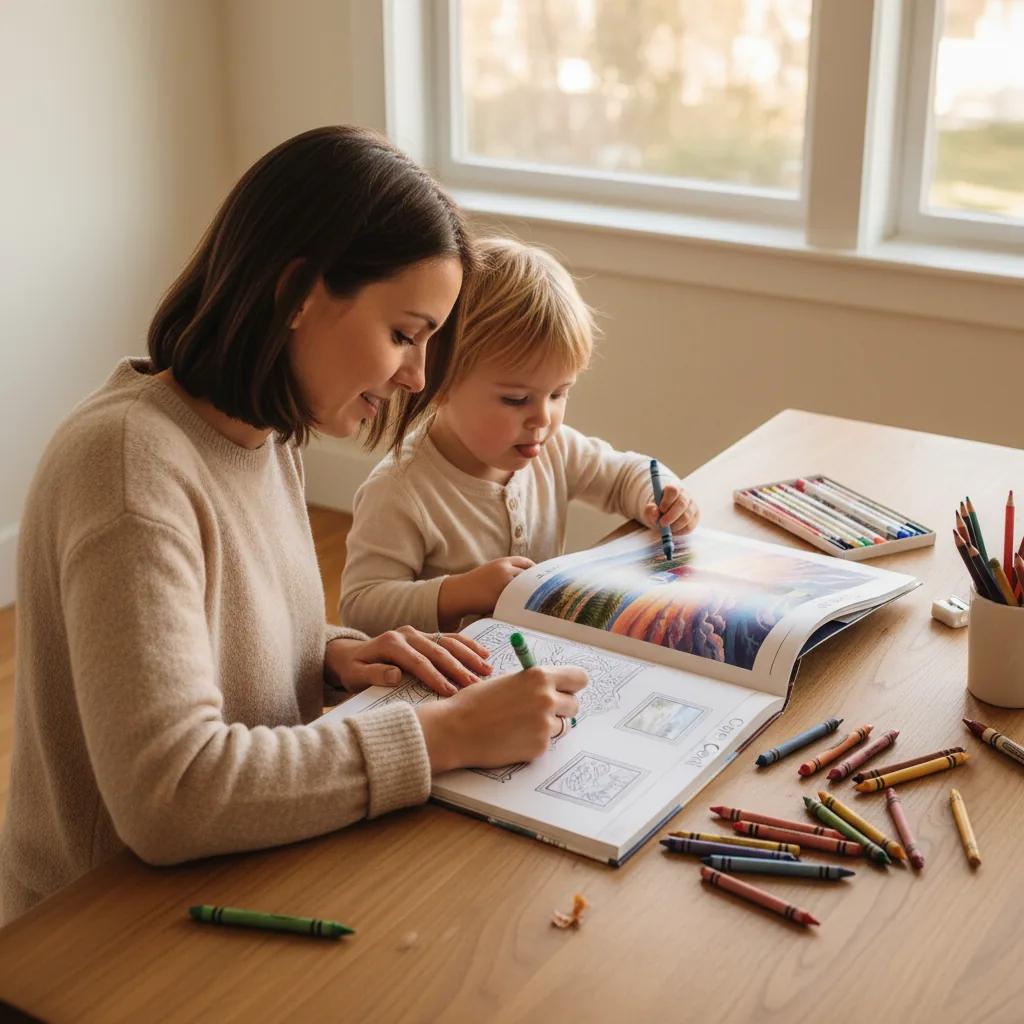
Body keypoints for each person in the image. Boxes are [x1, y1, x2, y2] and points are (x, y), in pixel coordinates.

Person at [0, 129, 586, 924]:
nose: (418, 374)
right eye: (405, 334)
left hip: (226, 880)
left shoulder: (263, 435)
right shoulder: (130, 469)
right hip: (98, 929)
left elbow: (205, 642)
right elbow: (173, 795)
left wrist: (333, 654)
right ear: (300, 292)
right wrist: (442, 735)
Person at [340, 237, 700, 636]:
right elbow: (362, 607)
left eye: (559, 393)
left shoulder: (555, 448)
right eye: (516, 399)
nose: (543, 418)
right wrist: (461, 592)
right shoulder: (399, 491)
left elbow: (624, 475)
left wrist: (662, 493)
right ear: (439, 382)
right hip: (449, 681)